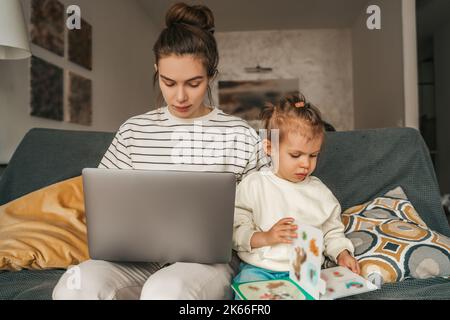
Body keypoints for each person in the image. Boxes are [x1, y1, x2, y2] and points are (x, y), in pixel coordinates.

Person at [53, 2, 269, 300]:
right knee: (74, 286)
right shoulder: (134, 130)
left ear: (211, 75)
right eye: (169, 82)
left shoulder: (240, 134)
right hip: (134, 259)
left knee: (167, 290)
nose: (180, 96)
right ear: (157, 69)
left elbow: (266, 204)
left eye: (194, 83)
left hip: (205, 265)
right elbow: (105, 202)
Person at [232, 94, 360, 293]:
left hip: (306, 273)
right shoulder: (255, 185)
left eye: (313, 155)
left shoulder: (320, 193)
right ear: (269, 148)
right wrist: (266, 237)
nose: (306, 164)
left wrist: (342, 254)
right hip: (260, 270)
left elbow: (332, 232)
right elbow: (234, 230)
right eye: (295, 155)